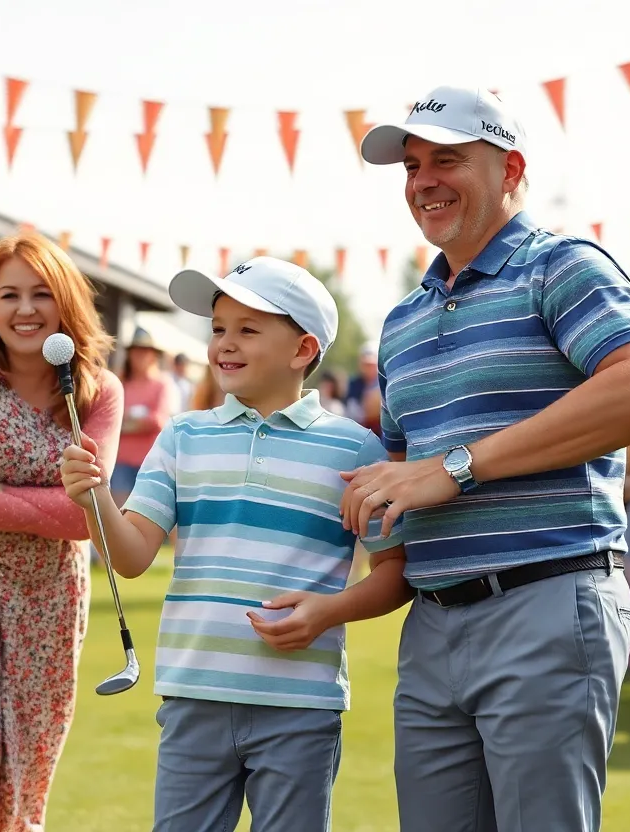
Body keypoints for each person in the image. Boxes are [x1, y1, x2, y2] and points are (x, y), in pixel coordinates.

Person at [354, 85, 630, 832]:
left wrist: (455, 467)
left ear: (510, 170)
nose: (423, 180)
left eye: (448, 159)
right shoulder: (401, 321)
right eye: (412, 166)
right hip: (434, 624)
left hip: (547, 596)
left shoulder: (559, 264)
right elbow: (402, 484)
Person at [60, 256, 411, 832]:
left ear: (303, 350)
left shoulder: (357, 451)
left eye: (248, 329)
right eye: (218, 328)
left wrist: (331, 611)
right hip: (193, 693)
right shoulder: (183, 436)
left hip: (301, 705)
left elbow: (395, 571)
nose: (225, 343)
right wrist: (95, 497)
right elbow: (131, 557)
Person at [0, 231, 122, 832]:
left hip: (51, 587)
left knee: (29, 766)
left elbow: (86, 516)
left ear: (66, 303)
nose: (25, 309)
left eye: (41, 294)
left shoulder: (99, 391)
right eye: (9, 295)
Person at [112, 326, 178, 505]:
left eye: (144, 352)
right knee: (119, 513)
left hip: (149, 462)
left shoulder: (161, 384)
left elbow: (158, 420)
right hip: (121, 461)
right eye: (136, 352)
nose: (140, 357)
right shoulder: (121, 382)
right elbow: (111, 418)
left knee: (145, 513)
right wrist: (136, 423)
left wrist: (124, 425)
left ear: (153, 355)